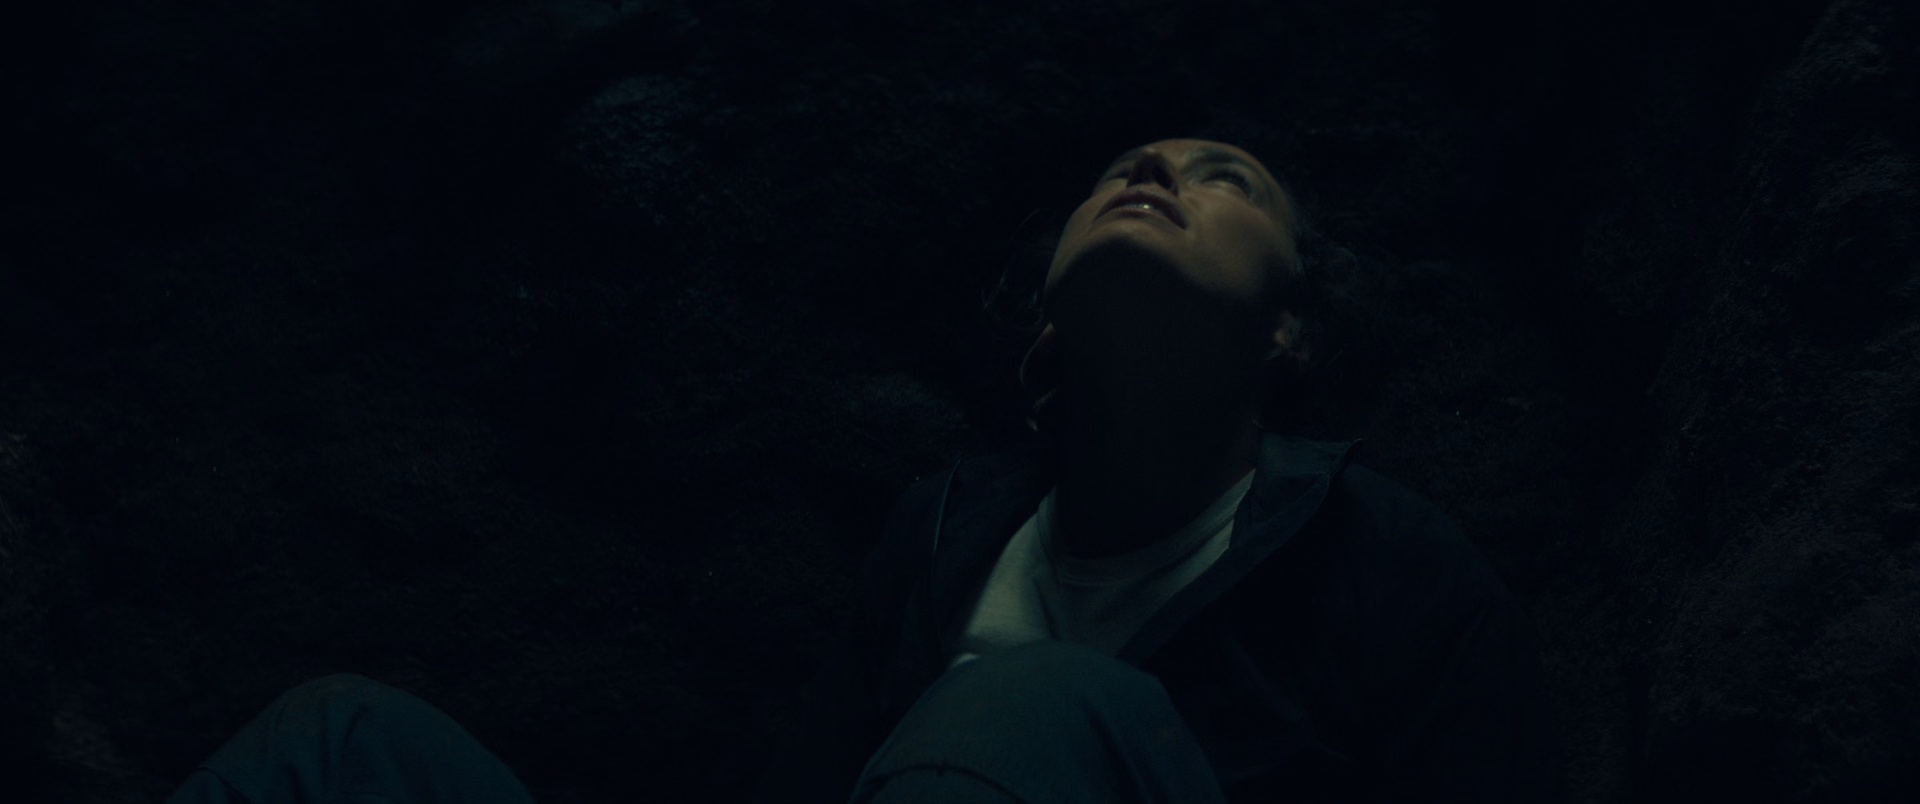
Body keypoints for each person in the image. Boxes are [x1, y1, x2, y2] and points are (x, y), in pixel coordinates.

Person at [752, 139, 1563, 803]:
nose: (1147, 171)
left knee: (1033, 698)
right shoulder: (932, 539)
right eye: (1115, 173)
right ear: (1048, 325)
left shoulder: (1393, 563)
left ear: (1289, 328)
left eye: (1227, 180)